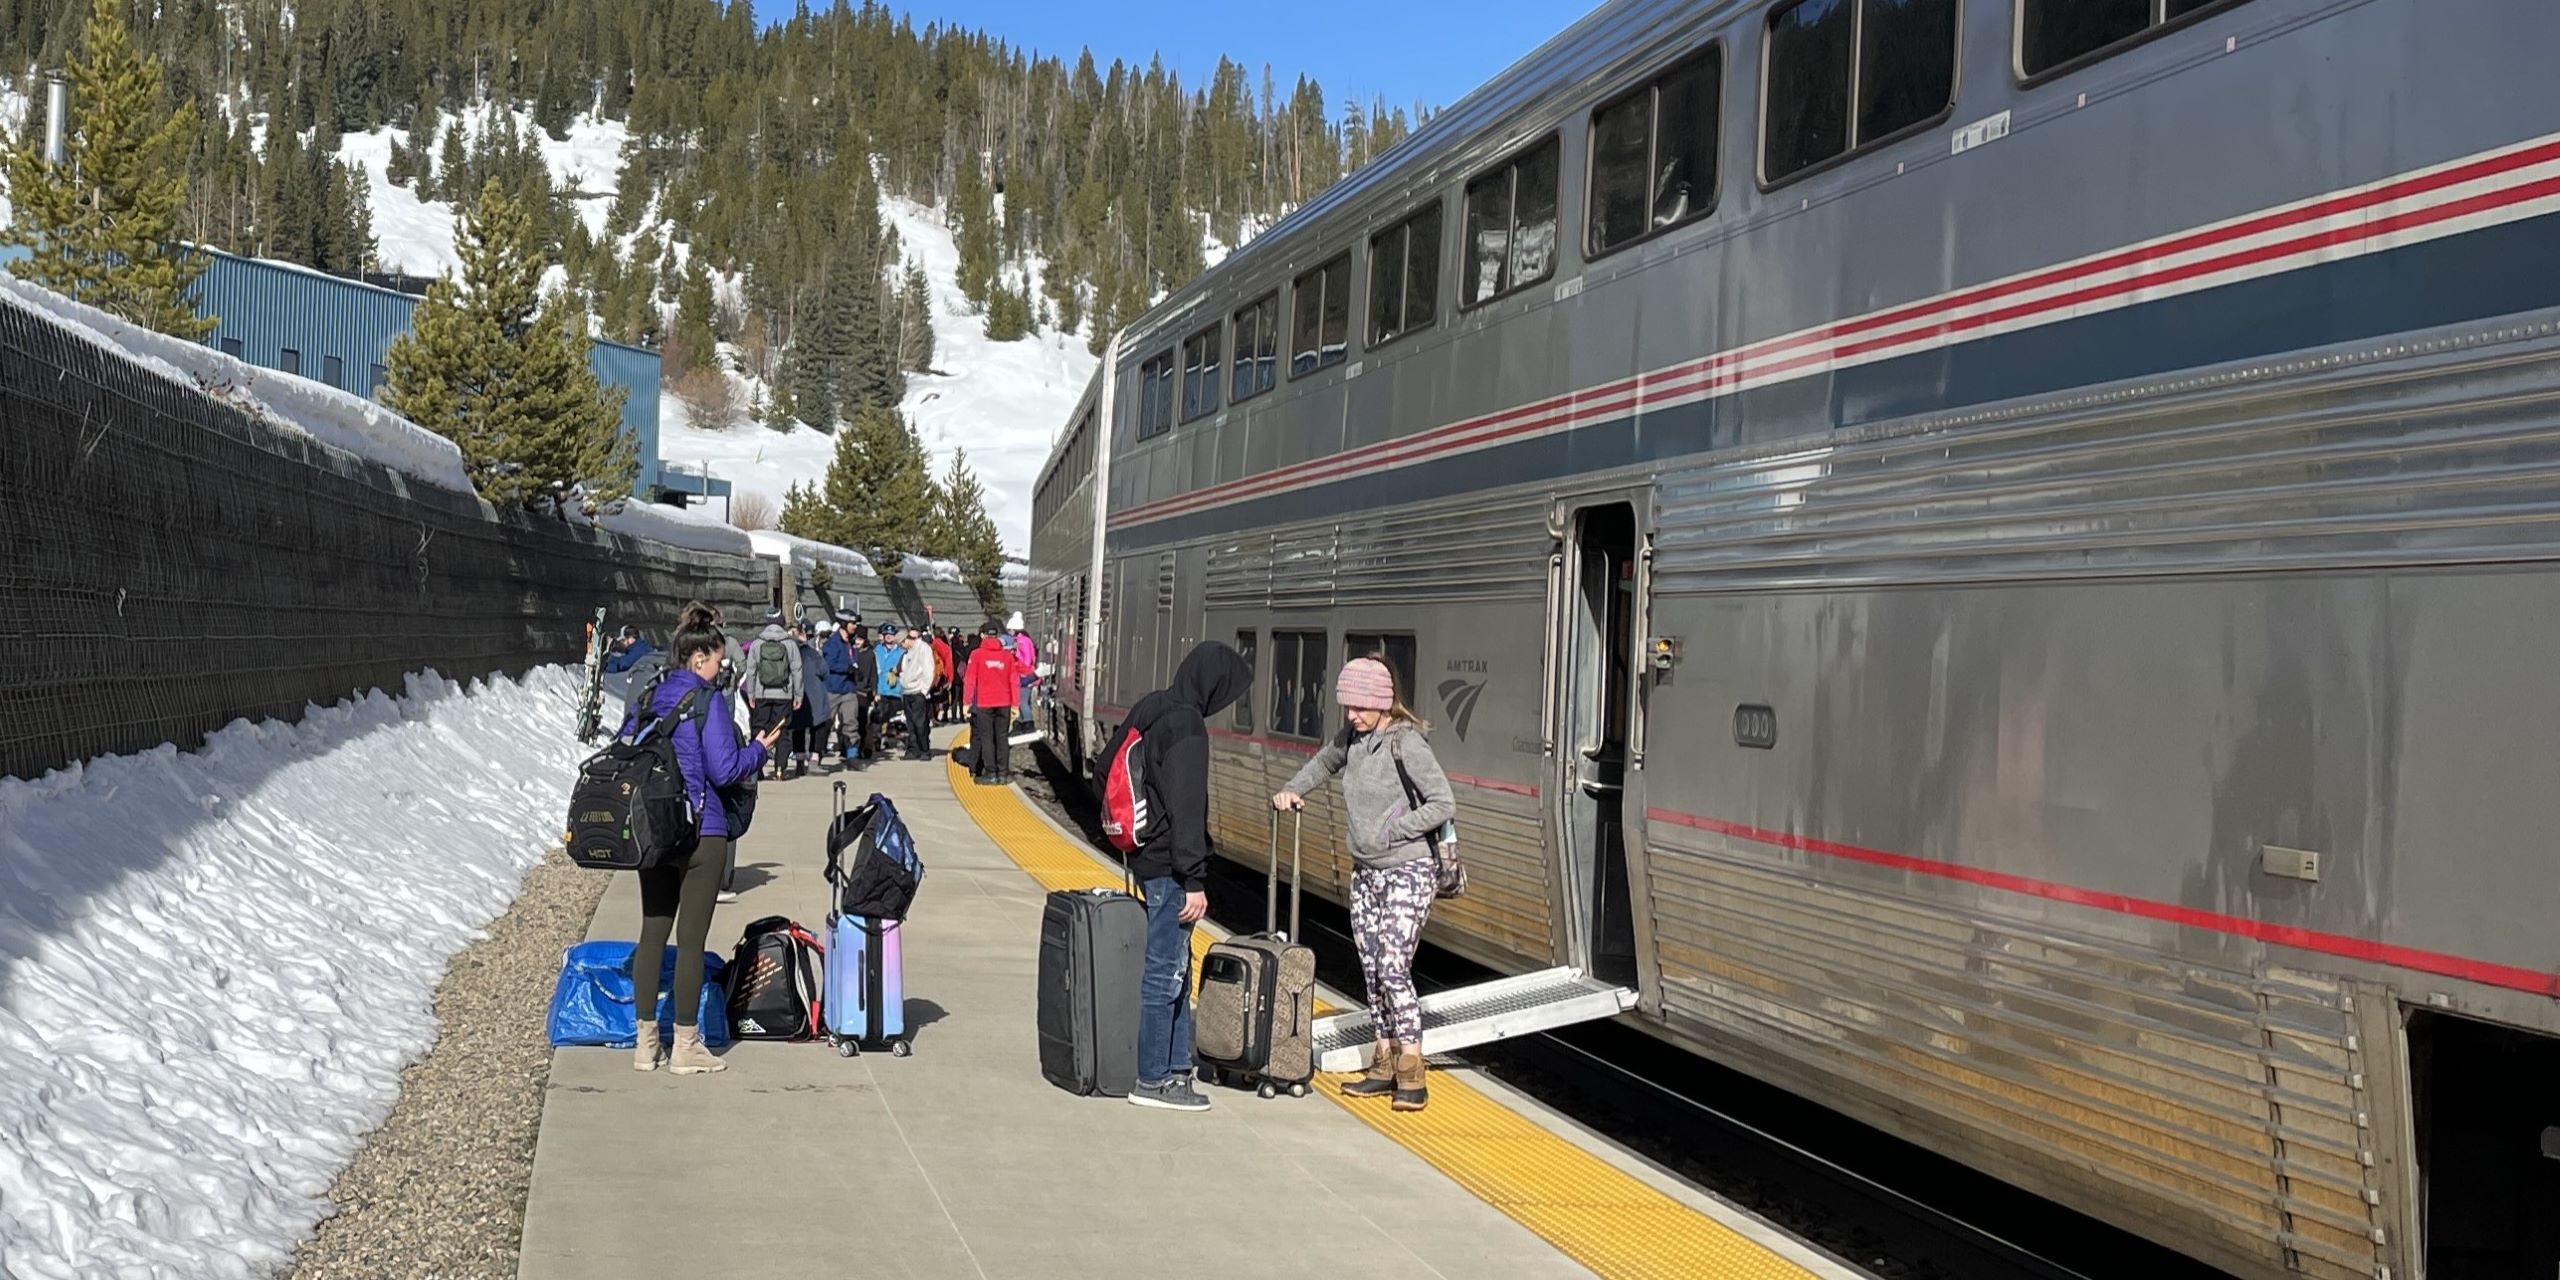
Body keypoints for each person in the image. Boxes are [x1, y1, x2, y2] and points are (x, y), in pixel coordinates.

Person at [1272, 657, 1454, 1112]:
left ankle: (1412, 1068)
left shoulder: (1406, 743)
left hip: (1408, 870)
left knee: (1393, 966)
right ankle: (1383, 1061)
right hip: (1367, 871)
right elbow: (1320, 764)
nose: (1349, 715)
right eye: (1347, 706)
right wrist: (1293, 789)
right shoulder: (1353, 739)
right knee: (1372, 968)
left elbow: (1443, 802)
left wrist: (1394, 832)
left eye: (1357, 707)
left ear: (1379, 703)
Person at [623, 602, 784, 1075]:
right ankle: (686, 1046)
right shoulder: (707, 700)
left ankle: (644, 1043)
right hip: (701, 831)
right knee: (690, 942)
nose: (721, 667)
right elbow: (724, 768)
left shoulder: (650, 695)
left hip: (654, 830)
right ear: (699, 660)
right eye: (717, 659)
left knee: (652, 933)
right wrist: (758, 749)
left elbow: (627, 746)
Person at [1123, 641, 1252, 1112]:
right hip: (1172, 870)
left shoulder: (1152, 705)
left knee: (1176, 967)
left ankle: (1177, 1071)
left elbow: (1104, 772)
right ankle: (1153, 1079)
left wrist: (1140, 836)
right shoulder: (1188, 727)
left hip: (1147, 860)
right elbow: (1188, 810)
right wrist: (1194, 879)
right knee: (1163, 973)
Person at [962, 620, 1025, 784]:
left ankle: (991, 773)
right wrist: (1015, 704)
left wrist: (966, 703)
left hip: (985, 703)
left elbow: (970, 680)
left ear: (984, 636)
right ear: (997, 636)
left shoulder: (976, 655)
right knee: (1002, 737)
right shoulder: (1007, 656)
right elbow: (1014, 681)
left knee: (987, 738)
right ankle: (1003, 773)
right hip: (1004, 703)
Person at [744, 612, 803, 782]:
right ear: (782, 623)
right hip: (784, 694)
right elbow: (797, 671)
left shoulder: (757, 643)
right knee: (782, 731)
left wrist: (751, 694)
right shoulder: (790, 644)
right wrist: (798, 694)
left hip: (762, 693)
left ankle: (757, 769)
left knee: (759, 728)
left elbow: (751, 671)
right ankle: (780, 769)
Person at [822, 614, 870, 771]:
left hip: (849, 689)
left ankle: (852, 756)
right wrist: (846, 668)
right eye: (852, 623)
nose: (855, 626)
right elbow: (829, 663)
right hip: (833, 689)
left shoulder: (851, 643)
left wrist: (856, 671)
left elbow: (853, 661)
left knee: (851, 723)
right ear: (843, 624)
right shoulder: (832, 643)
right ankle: (816, 754)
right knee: (826, 722)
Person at [794, 620, 832, 775]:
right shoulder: (812, 653)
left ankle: (799, 763)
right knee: (819, 728)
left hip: (797, 695)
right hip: (815, 695)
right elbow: (824, 671)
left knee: (798, 729)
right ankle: (814, 761)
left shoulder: (791, 653)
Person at [898, 626, 937, 758]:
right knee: (911, 724)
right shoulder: (908, 653)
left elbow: (928, 670)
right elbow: (903, 670)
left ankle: (924, 749)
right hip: (907, 691)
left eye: (902, 643)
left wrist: (924, 690)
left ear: (907, 639)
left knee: (920, 723)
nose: (901, 646)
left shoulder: (923, 648)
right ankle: (913, 749)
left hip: (918, 691)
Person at [873, 623, 908, 753]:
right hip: (881, 689)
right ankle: (876, 741)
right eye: (886, 635)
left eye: (891, 635)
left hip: (896, 690)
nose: (889, 637)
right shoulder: (877, 650)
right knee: (879, 718)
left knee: (897, 718)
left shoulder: (901, 652)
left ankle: (899, 739)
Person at [1007, 612, 1038, 727]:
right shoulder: (1026, 640)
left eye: (1010, 630)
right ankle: (1022, 721)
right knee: (1021, 701)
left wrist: (1019, 665)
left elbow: (1027, 660)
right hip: (1025, 674)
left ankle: (1027, 722)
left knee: (1022, 701)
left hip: (1023, 675)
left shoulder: (1021, 642)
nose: (1009, 633)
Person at [929, 626, 957, 724]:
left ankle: (934, 717)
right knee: (942, 698)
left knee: (933, 698)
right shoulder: (944, 647)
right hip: (941, 675)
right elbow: (949, 663)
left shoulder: (931, 645)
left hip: (932, 675)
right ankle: (942, 716)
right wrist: (950, 678)